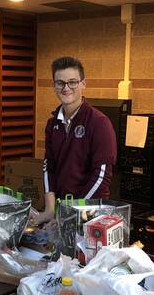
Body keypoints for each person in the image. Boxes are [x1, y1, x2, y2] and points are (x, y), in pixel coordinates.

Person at [33, 56, 117, 224]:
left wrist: (72, 213)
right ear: (54, 86)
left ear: (83, 84)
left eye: (72, 82)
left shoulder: (99, 123)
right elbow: (48, 166)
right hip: (62, 210)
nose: (66, 88)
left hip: (91, 213)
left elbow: (101, 175)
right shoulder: (52, 124)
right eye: (60, 83)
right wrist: (50, 210)